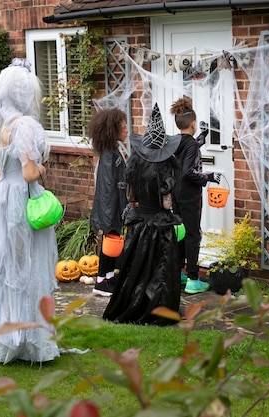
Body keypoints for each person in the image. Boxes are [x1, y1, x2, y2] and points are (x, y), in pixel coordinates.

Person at [0, 58, 59, 364]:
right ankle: (28, 342)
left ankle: (0, 341)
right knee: (26, 267)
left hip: (0, 196)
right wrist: (40, 166)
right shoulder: (26, 125)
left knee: (2, 268)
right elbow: (30, 172)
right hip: (21, 199)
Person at [102, 103, 183, 325]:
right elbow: (167, 205)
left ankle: (132, 304)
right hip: (159, 223)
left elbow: (130, 197)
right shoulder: (165, 169)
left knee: (135, 267)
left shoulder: (135, 164)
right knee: (161, 268)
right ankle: (159, 308)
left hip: (140, 222)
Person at [170, 97, 221, 294]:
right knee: (193, 235)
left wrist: (203, 137)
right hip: (190, 195)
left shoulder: (176, 141)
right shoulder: (190, 144)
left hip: (176, 194)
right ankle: (192, 278)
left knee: (181, 232)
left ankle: (178, 272)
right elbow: (188, 171)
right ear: (193, 123)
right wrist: (208, 176)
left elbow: (188, 149)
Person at [86, 108, 128, 296]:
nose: (126, 129)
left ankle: (108, 276)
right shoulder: (109, 155)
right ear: (113, 130)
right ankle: (101, 280)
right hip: (110, 206)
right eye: (123, 126)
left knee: (112, 241)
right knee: (108, 242)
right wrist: (109, 214)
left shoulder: (113, 151)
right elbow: (107, 186)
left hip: (115, 205)